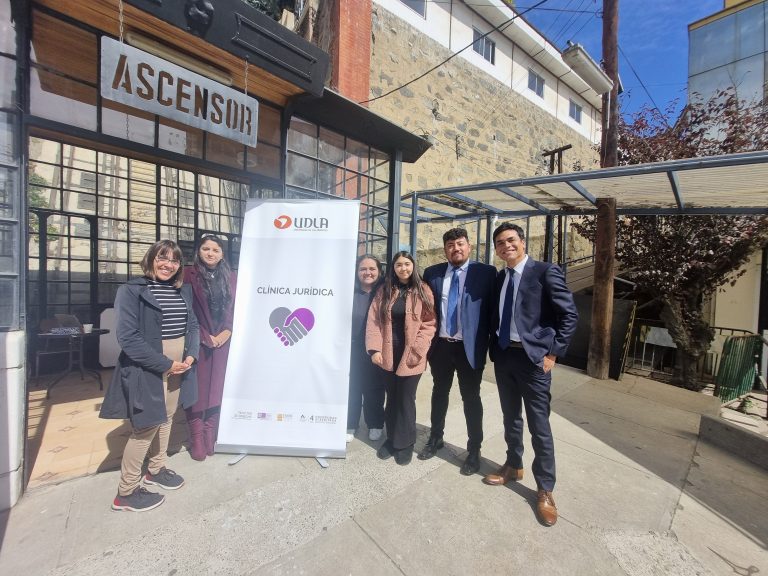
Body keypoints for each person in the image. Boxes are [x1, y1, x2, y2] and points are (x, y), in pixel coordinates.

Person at [483, 222, 578, 527]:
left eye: (510, 240)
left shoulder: (544, 272)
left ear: (522, 242)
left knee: (539, 425)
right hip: (504, 355)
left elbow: (569, 314)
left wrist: (553, 352)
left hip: (533, 360)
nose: (505, 246)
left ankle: (545, 489)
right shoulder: (500, 278)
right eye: (500, 242)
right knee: (510, 416)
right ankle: (514, 465)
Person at [100, 240, 199, 512]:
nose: (168, 264)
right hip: (150, 364)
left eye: (174, 260)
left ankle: (156, 468)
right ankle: (126, 492)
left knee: (167, 416)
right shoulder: (132, 290)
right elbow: (128, 338)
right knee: (146, 425)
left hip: (180, 362)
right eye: (162, 258)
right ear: (151, 259)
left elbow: (192, 325)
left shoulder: (181, 291)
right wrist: (165, 363)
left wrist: (190, 355)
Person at [418, 228, 497, 475]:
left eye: (460, 244)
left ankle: (474, 450)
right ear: (445, 250)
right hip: (441, 347)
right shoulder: (432, 273)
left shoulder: (486, 273)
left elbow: (494, 311)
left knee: (471, 398)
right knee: (439, 393)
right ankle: (435, 438)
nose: (456, 249)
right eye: (451, 245)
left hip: (469, 349)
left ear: (469, 246)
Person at [366, 251, 436, 465]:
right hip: (388, 354)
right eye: (398, 265)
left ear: (413, 266)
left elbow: (429, 323)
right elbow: (374, 321)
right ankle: (391, 439)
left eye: (407, 264)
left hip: (411, 356)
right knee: (392, 398)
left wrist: (418, 349)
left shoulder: (423, 290)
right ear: (393, 268)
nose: (403, 268)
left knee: (406, 400)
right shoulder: (385, 290)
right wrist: (374, 349)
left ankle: (405, 443)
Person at [183, 234, 237, 460]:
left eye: (215, 250)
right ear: (199, 251)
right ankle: (196, 436)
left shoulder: (232, 277)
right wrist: (204, 336)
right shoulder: (187, 274)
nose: (210, 253)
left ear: (222, 254)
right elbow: (185, 309)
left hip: (223, 340)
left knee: (217, 387)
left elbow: (236, 307)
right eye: (206, 248)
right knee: (196, 389)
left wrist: (227, 330)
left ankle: (209, 432)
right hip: (197, 339)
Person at [347, 254, 386, 443]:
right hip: (351, 348)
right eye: (363, 269)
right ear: (356, 272)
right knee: (352, 386)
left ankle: (375, 423)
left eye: (372, 269)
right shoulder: (348, 292)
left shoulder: (384, 293)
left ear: (379, 271)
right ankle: (350, 423)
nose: (367, 272)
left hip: (375, 349)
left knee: (374, 388)